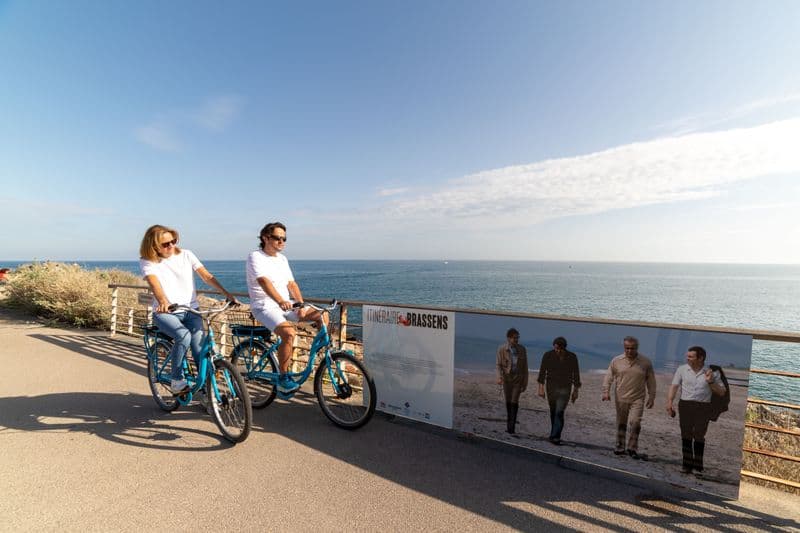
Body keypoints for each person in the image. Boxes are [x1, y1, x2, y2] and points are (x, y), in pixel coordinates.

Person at [139, 224, 239, 394]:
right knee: (183, 336)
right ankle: (177, 380)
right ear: (154, 246)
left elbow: (206, 276)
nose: (171, 246)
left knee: (200, 349)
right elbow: (153, 282)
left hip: (191, 311)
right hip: (166, 312)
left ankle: (208, 393)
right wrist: (163, 300)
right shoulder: (148, 261)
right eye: (165, 244)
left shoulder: (186, 254)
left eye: (173, 241)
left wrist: (227, 294)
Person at [246, 222, 324, 394]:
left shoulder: (282, 259)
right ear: (266, 238)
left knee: (321, 315)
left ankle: (323, 352)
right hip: (264, 306)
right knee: (289, 333)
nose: (282, 242)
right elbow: (263, 281)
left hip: (286, 305)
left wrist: (301, 304)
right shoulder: (255, 256)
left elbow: (291, 284)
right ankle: (283, 377)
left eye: (284, 238)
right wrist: (281, 300)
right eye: (278, 238)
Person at [666, 346, 726, 475]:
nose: (687, 359)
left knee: (699, 435)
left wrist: (710, 382)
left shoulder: (712, 372)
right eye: (687, 356)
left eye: (691, 357)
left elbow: (721, 392)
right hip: (685, 405)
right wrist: (670, 402)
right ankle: (686, 466)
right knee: (686, 434)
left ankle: (698, 467)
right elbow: (674, 385)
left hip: (703, 407)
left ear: (701, 358)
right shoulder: (682, 369)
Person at [602, 336, 656, 459]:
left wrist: (652, 397)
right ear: (624, 347)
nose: (630, 351)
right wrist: (606, 392)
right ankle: (620, 447)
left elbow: (651, 381)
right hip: (621, 397)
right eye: (627, 348)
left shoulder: (645, 362)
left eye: (632, 348)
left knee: (635, 422)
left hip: (638, 398)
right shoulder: (616, 361)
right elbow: (608, 376)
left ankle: (632, 448)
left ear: (637, 348)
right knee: (621, 423)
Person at [537, 336, 581, 445]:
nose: (557, 351)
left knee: (559, 411)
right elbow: (542, 373)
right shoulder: (548, 355)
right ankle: (554, 434)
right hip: (551, 387)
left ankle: (555, 436)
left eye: (559, 349)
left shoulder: (572, 357)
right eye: (555, 348)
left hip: (565, 388)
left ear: (564, 348)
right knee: (553, 412)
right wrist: (541, 389)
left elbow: (576, 375)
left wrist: (575, 391)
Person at [496, 328, 528, 435]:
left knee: (514, 402)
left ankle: (511, 427)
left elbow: (525, 368)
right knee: (508, 402)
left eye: (517, 338)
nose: (517, 340)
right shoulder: (501, 349)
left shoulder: (522, 349)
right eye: (515, 338)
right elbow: (498, 365)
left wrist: (525, 383)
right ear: (509, 338)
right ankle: (509, 424)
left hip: (517, 380)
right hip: (506, 379)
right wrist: (499, 377)